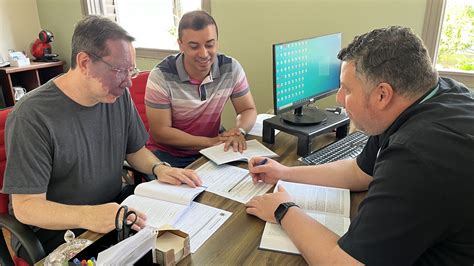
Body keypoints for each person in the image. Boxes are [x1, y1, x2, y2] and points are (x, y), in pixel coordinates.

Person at [245, 26, 474, 265]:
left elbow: (345, 263)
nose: (339, 99)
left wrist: (283, 210)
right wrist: (285, 173)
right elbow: (360, 171)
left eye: (347, 89)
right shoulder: (434, 95)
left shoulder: (418, 157)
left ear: (382, 95)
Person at [2, 15, 202, 261]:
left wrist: (158, 168)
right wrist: (89, 216)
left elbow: (135, 150)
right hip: (57, 230)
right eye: (120, 71)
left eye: (132, 70)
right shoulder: (32, 116)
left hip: (111, 209)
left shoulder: (117, 96)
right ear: (85, 62)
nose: (128, 82)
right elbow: (26, 207)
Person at [145, 10, 257, 168]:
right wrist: (209, 142)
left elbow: (248, 109)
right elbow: (160, 132)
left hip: (212, 149)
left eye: (210, 45)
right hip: (169, 155)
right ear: (180, 45)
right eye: (194, 46)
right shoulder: (161, 76)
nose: (204, 54)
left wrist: (239, 131)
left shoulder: (230, 68)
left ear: (217, 42)